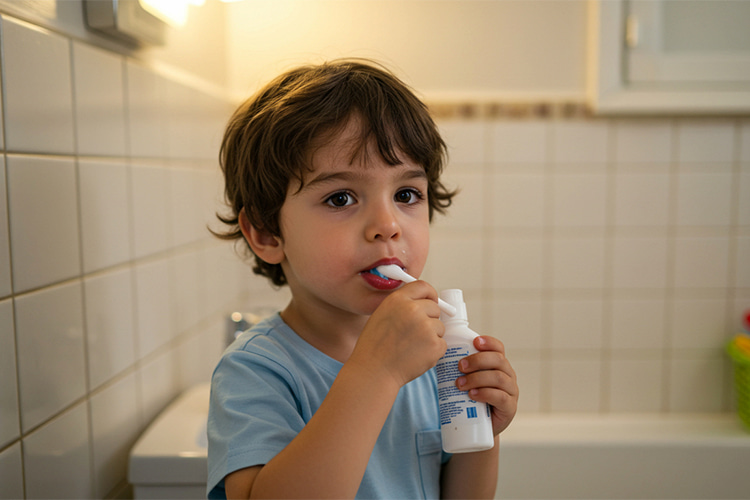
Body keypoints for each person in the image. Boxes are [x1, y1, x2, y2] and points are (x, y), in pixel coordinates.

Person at [207, 59, 518, 499]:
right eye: (341, 197)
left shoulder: (434, 358)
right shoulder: (257, 371)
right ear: (265, 233)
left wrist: (481, 438)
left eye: (406, 194)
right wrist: (376, 372)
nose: (387, 224)